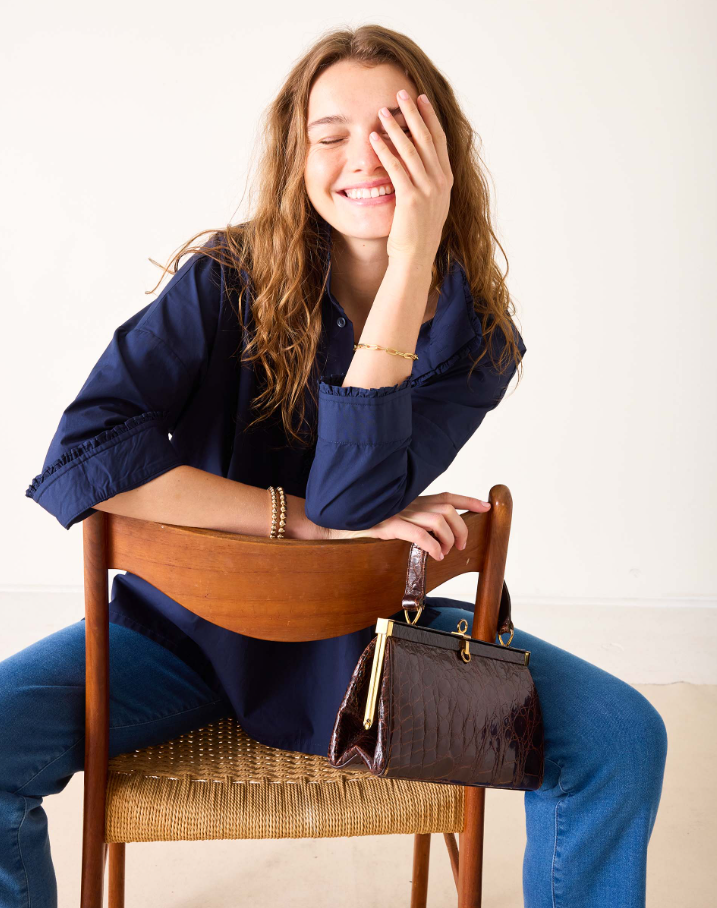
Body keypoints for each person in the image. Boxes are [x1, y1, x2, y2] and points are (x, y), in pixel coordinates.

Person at [3, 24, 667, 908]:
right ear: (297, 155)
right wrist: (300, 522)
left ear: (442, 151)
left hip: (354, 652)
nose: (365, 157)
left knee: (623, 737)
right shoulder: (222, 281)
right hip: (178, 635)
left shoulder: (476, 342)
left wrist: (409, 264)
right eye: (331, 135)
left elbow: (353, 497)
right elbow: (85, 456)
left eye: (395, 129)